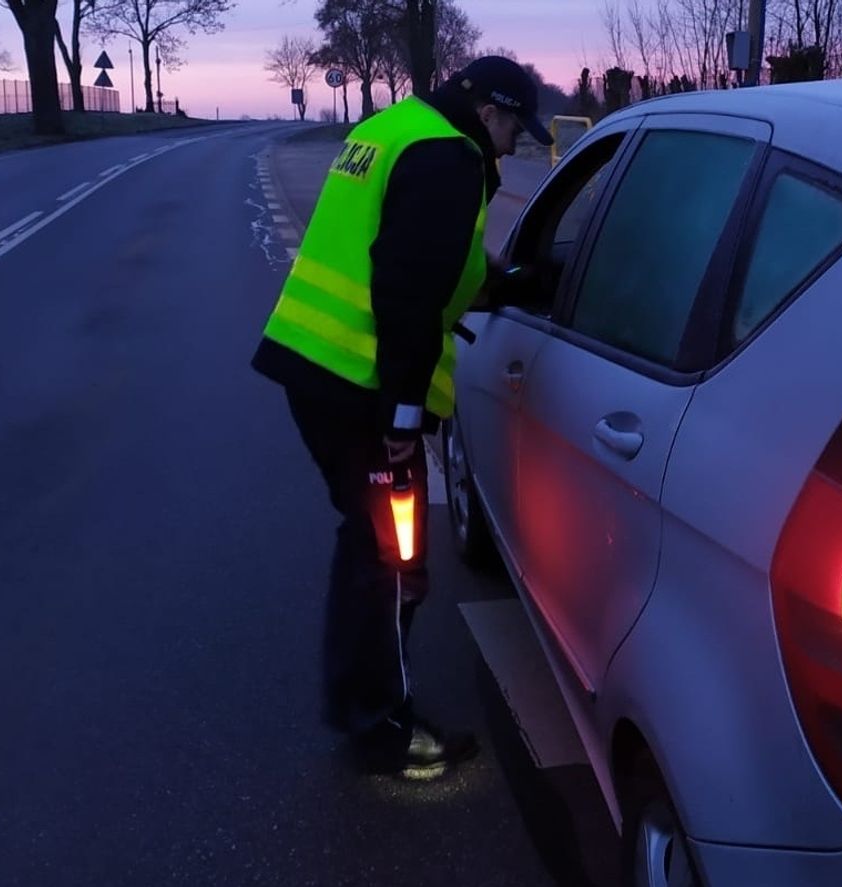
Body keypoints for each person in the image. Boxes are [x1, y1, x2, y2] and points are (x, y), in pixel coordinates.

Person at [251, 56, 554, 779]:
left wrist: (504, 281)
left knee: (369, 542)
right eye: (513, 127)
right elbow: (409, 294)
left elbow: (422, 256)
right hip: (361, 385)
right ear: (488, 113)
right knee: (394, 557)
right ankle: (383, 726)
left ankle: (358, 700)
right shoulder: (450, 156)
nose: (513, 146)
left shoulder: (395, 128)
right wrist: (403, 412)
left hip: (314, 362)